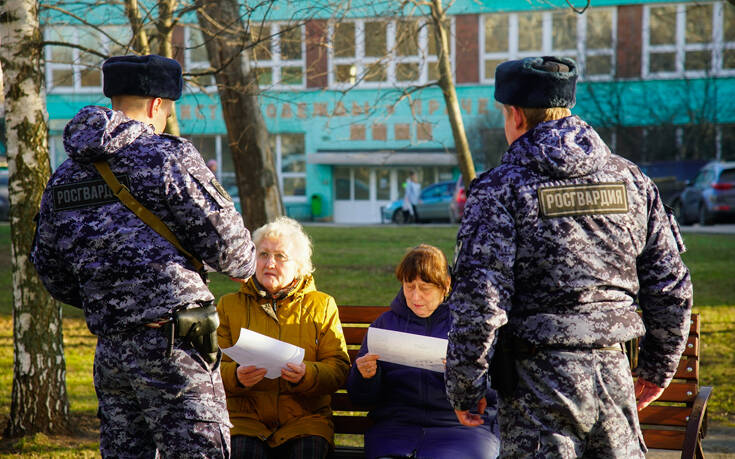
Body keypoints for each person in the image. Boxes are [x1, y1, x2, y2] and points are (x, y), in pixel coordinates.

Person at [444, 56, 693, 458]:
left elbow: (479, 304)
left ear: (515, 116)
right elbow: (671, 288)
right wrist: (657, 369)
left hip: (538, 390)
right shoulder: (632, 180)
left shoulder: (499, 189)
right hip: (615, 377)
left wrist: (465, 388)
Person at [30, 54, 257, 458]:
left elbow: (50, 270)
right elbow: (234, 253)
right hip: (174, 348)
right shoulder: (170, 158)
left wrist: (110, 298)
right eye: (168, 110)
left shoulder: (64, 176)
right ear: (157, 105)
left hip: (111, 350)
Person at [347, 244, 499, 459]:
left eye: (425, 288)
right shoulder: (385, 324)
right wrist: (365, 376)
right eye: (409, 286)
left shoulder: (469, 326)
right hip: (397, 427)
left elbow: (495, 393)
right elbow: (360, 398)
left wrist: (465, 377)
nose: (415, 297)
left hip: (461, 428)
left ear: (445, 286)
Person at [216, 216, 350, 459]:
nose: (270, 263)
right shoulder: (229, 305)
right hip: (246, 421)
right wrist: (236, 376)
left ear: (299, 265)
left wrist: (307, 374)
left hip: (304, 421)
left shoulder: (322, 305)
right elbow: (210, 369)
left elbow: (338, 368)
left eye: (280, 257)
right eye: (263, 254)